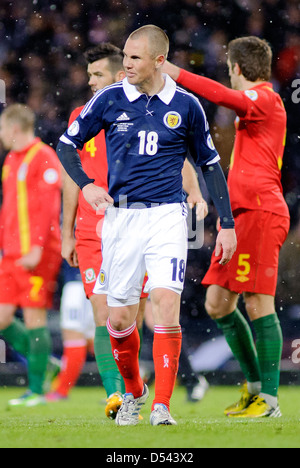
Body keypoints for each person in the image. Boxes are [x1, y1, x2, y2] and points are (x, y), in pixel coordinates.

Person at [57, 25, 236, 426]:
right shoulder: (109, 99)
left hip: (167, 218)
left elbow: (208, 164)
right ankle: (135, 392)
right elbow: (66, 145)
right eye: (124, 57)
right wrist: (86, 186)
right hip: (120, 219)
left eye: (134, 58)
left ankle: (162, 406)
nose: (126, 65)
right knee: (119, 320)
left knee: (166, 306)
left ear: (159, 60)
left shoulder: (187, 106)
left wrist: (226, 223)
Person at [164, 36, 290, 418]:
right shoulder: (252, 111)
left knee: (258, 303)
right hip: (240, 216)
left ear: (236, 68)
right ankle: (254, 389)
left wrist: (174, 72)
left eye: (228, 68)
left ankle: (269, 399)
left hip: (262, 212)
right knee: (218, 304)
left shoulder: (266, 99)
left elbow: (223, 96)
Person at [0, 104, 62, 407]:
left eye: (1, 129)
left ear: (14, 128)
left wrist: (37, 247)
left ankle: (37, 389)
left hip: (39, 252)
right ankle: (46, 362)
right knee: (2, 318)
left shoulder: (44, 157)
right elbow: (8, 208)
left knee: (35, 317)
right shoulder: (11, 160)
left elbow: (49, 207)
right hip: (11, 254)